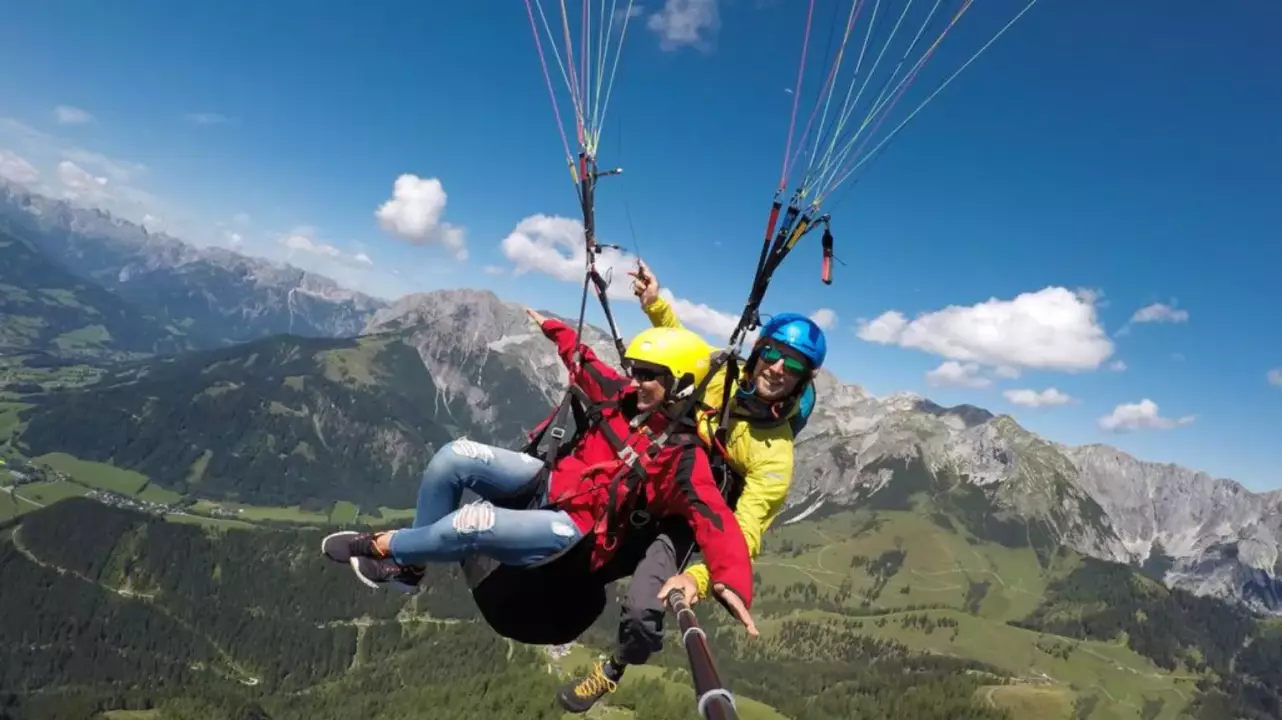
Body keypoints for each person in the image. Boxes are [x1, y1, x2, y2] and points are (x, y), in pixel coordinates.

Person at [321, 308, 761, 640]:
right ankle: (410, 569)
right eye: (634, 369)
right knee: (453, 456)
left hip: (576, 529)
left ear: (682, 383)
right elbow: (584, 363)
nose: (635, 379)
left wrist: (732, 581)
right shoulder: (622, 396)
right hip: (549, 482)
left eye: (649, 375)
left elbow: (715, 520)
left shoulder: (682, 458)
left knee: (471, 523)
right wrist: (554, 328)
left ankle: (381, 546)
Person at [556, 260, 827, 713]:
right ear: (758, 352)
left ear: (801, 380)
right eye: (774, 353)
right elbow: (685, 347)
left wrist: (699, 578)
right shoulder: (720, 377)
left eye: (793, 364)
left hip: (688, 520)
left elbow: (745, 532)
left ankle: (614, 669)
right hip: (655, 478)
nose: (779, 368)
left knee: (645, 612)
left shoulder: (775, 455)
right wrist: (654, 303)